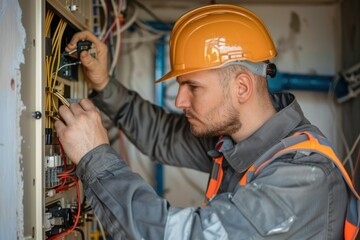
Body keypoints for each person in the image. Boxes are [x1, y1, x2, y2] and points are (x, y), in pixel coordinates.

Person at [55, 4, 359, 240]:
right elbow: (163, 134)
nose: (179, 101)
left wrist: (95, 159)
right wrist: (105, 85)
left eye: (193, 87)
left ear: (242, 87)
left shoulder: (303, 178)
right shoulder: (237, 140)